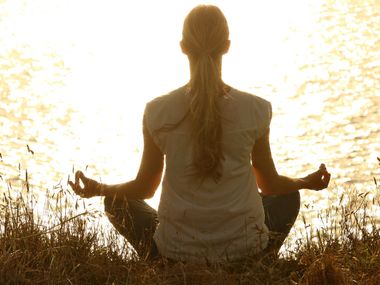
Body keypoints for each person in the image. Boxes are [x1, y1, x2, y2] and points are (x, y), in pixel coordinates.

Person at [69, 5, 330, 262]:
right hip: (244, 249)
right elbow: (270, 185)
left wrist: (99, 189)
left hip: (176, 252)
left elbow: (145, 188)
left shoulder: (157, 111)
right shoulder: (256, 109)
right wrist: (304, 183)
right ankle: (257, 259)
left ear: (183, 46)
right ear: (227, 45)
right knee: (287, 195)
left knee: (116, 202)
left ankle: (162, 263)